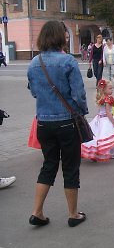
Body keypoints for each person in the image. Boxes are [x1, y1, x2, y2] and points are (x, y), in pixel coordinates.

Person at [27, 20, 88, 227]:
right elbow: (78, 95)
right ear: (60, 36)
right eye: (65, 33)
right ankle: (73, 214)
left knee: (49, 164)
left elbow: (34, 92)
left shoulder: (34, 63)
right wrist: (82, 112)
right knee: (70, 167)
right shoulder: (68, 61)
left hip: (43, 122)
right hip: (66, 123)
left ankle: (37, 211)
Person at [81, 79, 114, 161]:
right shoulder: (108, 99)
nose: (112, 90)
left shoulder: (101, 97)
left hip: (99, 119)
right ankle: (112, 152)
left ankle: (106, 151)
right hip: (106, 120)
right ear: (104, 89)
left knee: (99, 135)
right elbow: (108, 112)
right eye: (110, 88)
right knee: (110, 135)